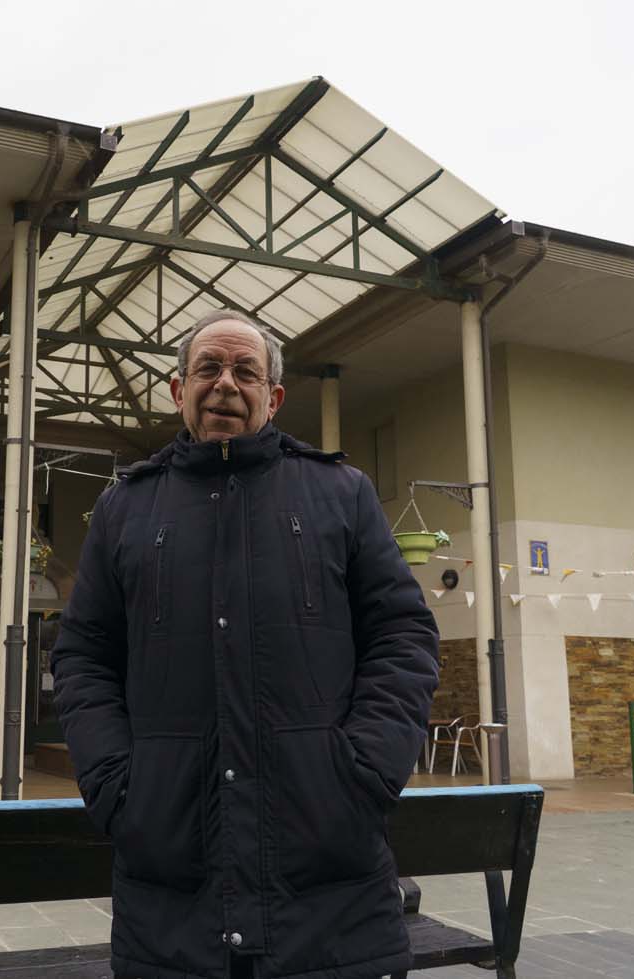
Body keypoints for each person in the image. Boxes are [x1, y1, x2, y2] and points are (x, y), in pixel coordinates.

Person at [51, 309, 440, 979]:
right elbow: (83, 653)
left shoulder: (341, 494)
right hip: (171, 898)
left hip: (329, 896)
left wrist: (366, 769)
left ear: (274, 396)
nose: (225, 383)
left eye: (245, 371)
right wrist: (117, 784)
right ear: (179, 390)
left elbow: (403, 632)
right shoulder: (125, 509)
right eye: (208, 367)